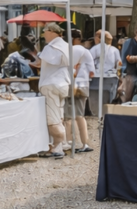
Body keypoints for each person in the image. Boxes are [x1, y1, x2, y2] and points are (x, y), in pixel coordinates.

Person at [38, 22, 72, 157]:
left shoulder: (50, 47)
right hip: (63, 83)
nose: (44, 35)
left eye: (45, 32)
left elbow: (40, 62)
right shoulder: (67, 46)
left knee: (52, 118)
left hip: (50, 84)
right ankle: (61, 143)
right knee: (60, 115)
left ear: (51, 31)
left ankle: (58, 146)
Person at [68, 31, 95, 153]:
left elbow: (69, 67)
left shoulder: (76, 49)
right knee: (79, 114)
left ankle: (75, 143)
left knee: (71, 116)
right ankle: (83, 143)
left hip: (76, 84)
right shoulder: (86, 52)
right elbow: (92, 73)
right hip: (84, 84)